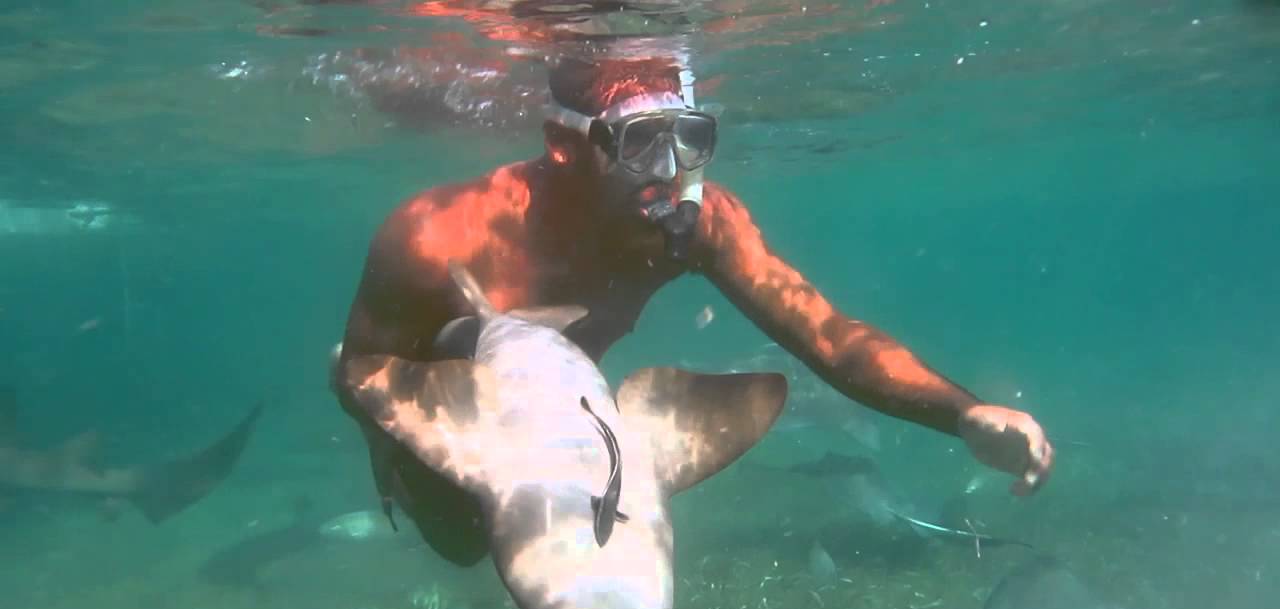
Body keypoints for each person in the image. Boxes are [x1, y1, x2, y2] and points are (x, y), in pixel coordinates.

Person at [331, 53, 1054, 565]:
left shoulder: (700, 224)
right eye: (644, 143)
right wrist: (386, 448)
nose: (673, 170)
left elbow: (827, 334)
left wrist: (961, 414)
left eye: (692, 139)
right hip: (443, 394)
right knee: (462, 546)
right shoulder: (438, 233)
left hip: (552, 400)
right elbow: (363, 367)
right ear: (562, 145)